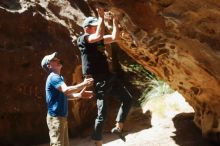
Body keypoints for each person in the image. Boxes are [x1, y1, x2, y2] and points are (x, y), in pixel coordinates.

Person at [77, 8, 132, 146]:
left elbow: (114, 37)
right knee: (103, 113)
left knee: (127, 99)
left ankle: (118, 126)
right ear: (87, 28)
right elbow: (98, 35)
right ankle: (97, 140)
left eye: (97, 26)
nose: (97, 29)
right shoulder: (83, 39)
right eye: (94, 26)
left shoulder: (98, 39)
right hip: (98, 80)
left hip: (108, 77)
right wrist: (101, 16)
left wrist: (115, 20)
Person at [41, 52, 94, 146]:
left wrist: (79, 95)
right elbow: (66, 90)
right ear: (49, 65)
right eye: (53, 60)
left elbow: (64, 95)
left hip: (61, 117)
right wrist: (84, 84)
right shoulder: (54, 77)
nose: (57, 60)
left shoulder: (59, 77)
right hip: (56, 118)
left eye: (56, 58)